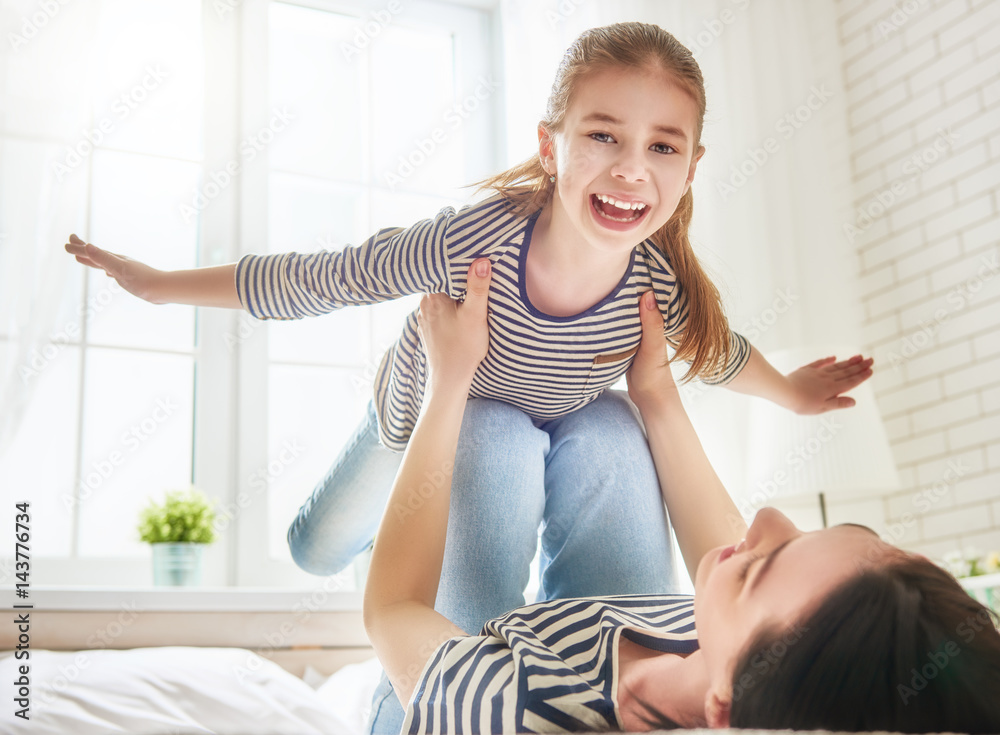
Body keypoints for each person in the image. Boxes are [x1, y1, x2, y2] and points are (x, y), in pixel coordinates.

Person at [363, 257, 1000, 734]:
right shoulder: (742, 653)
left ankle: (320, 534)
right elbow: (730, 553)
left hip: (435, 689)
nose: (771, 517)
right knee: (609, 422)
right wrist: (656, 391)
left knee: (488, 427)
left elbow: (392, 610)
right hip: (599, 637)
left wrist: (448, 381)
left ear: (722, 708)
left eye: (755, 572)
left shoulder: (515, 713)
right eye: (849, 536)